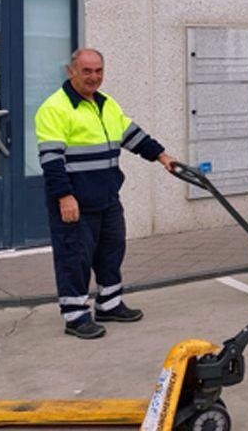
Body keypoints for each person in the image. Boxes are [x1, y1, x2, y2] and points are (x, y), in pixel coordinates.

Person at [35, 48, 176, 339]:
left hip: (108, 197)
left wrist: (163, 157)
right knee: (74, 258)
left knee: (111, 252)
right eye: (87, 71)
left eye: (99, 71)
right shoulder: (55, 108)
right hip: (75, 200)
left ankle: (109, 304)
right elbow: (51, 161)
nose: (94, 77)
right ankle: (75, 316)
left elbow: (133, 136)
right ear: (71, 71)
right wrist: (64, 196)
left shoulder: (106, 104)